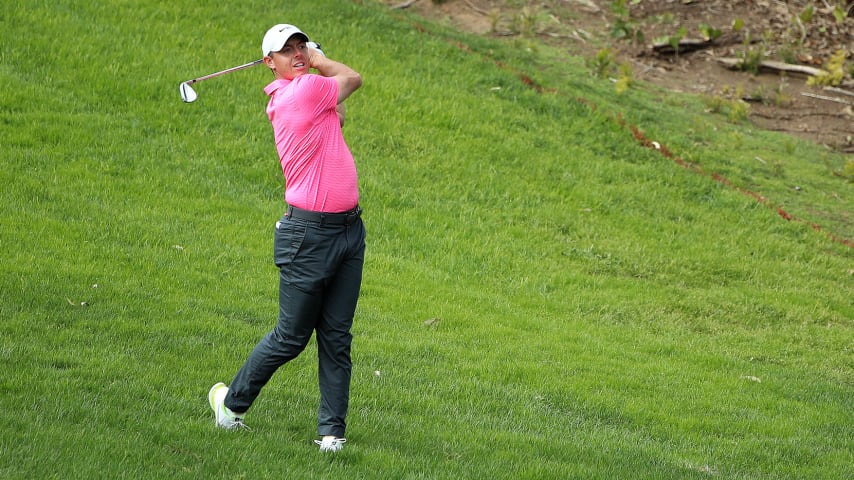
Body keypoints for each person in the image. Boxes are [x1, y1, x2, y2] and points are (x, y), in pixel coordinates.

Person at [208, 23, 365, 453]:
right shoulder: (301, 91)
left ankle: (332, 435)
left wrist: (311, 63)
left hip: (349, 230)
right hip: (308, 236)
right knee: (291, 337)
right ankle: (231, 405)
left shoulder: (310, 95)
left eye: (300, 45)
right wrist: (317, 57)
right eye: (287, 50)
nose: (296, 53)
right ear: (269, 63)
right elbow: (352, 79)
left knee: (336, 336)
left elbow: (341, 114)